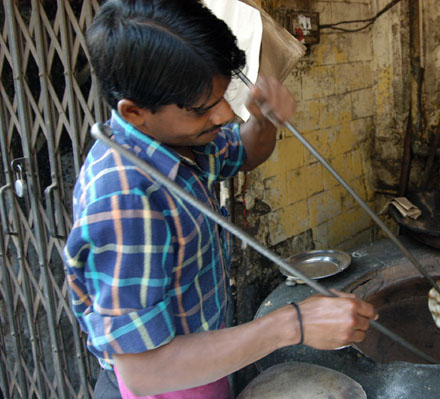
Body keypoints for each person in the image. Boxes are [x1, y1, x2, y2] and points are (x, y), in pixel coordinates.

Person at [62, 1, 377, 398]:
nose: (226, 114)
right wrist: (292, 324)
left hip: (205, 364)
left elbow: (244, 154)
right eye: (203, 109)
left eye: (224, 94)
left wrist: (263, 119)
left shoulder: (174, 139)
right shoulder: (125, 197)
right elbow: (144, 369)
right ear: (135, 111)